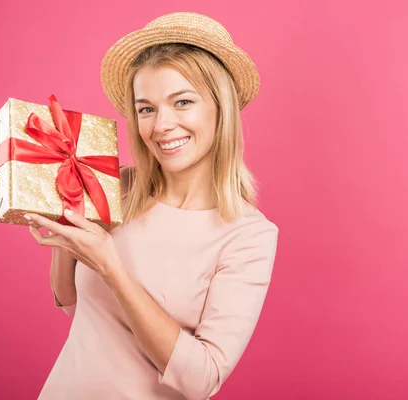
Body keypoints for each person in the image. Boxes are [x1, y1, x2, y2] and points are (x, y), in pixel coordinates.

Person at [23, 12, 279, 400]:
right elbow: (74, 307)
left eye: (182, 102)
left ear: (220, 109)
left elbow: (201, 381)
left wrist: (111, 267)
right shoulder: (115, 186)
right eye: (147, 109)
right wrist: (66, 231)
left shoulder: (249, 236)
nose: (161, 125)